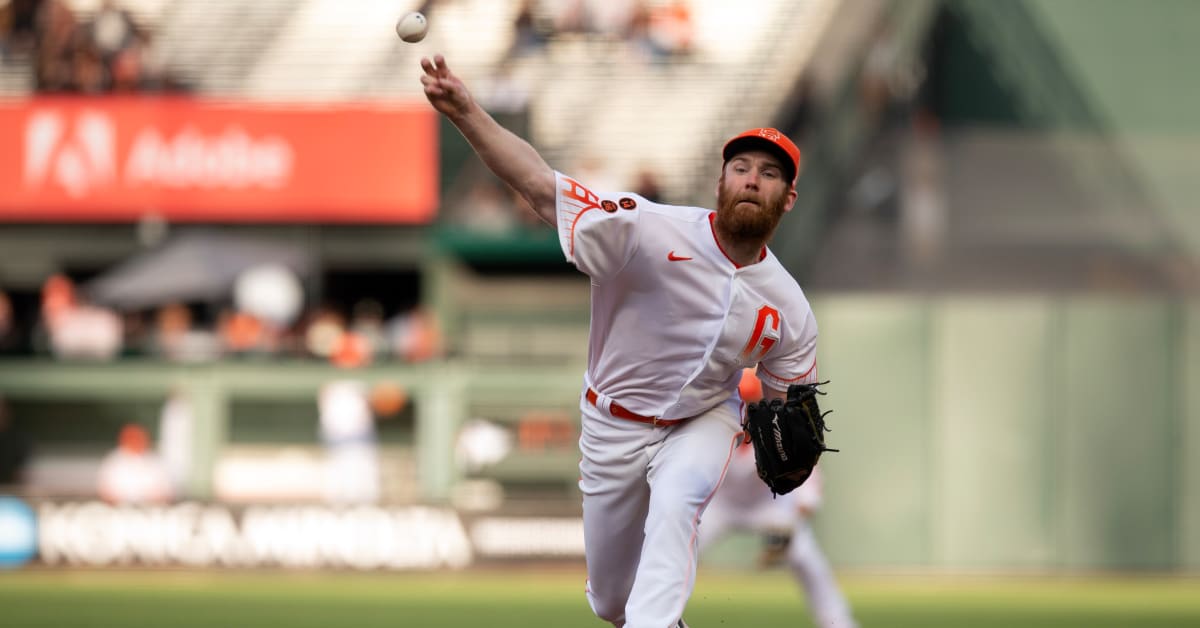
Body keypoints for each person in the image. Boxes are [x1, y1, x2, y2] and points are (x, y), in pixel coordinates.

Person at [421, 55, 818, 628]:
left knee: (679, 502)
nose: (753, 177)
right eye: (741, 166)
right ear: (721, 181)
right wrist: (464, 111)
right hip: (612, 424)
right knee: (611, 601)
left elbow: (790, 402)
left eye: (771, 173)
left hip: (702, 418)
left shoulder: (789, 308)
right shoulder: (646, 229)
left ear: (788, 199)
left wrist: (789, 445)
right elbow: (538, 186)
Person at [698, 370, 858, 628]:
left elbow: (807, 483)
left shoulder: (777, 432)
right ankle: (654, 619)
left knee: (807, 559)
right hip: (721, 506)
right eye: (741, 401)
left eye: (751, 401)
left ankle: (839, 624)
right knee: (677, 548)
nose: (746, 408)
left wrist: (794, 520)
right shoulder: (709, 430)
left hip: (770, 505)